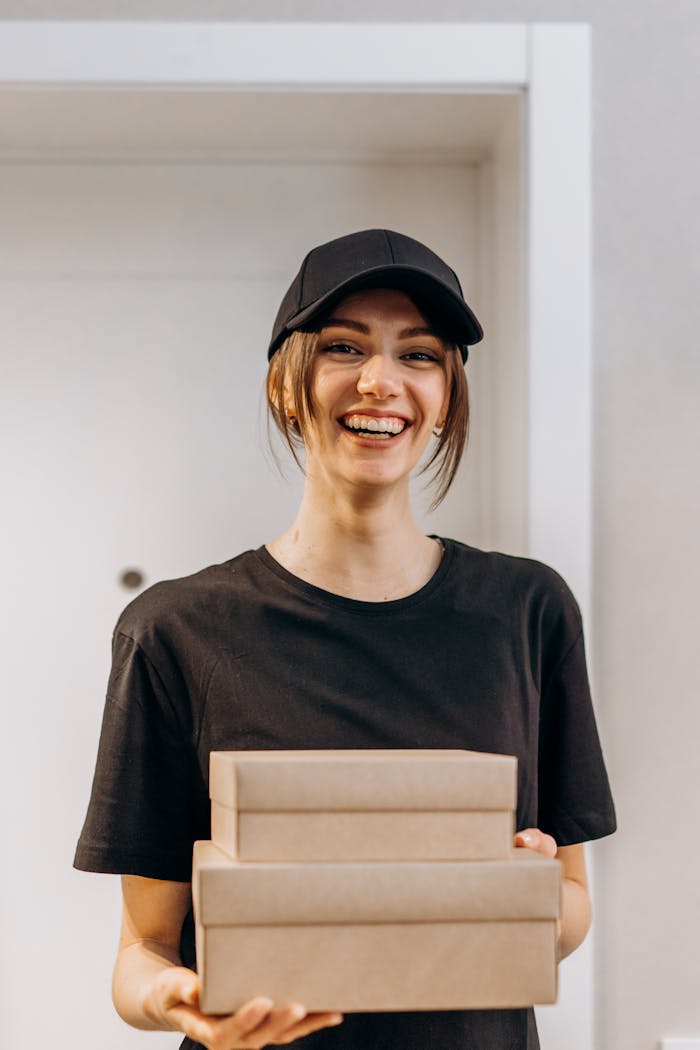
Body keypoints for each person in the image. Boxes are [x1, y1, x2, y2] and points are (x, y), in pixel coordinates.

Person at [74, 228, 616, 1050]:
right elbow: (142, 951)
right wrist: (178, 997)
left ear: (446, 397)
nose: (381, 381)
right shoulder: (174, 631)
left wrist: (527, 898)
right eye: (343, 347)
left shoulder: (527, 611)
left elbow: (571, 908)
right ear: (287, 388)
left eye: (420, 355)